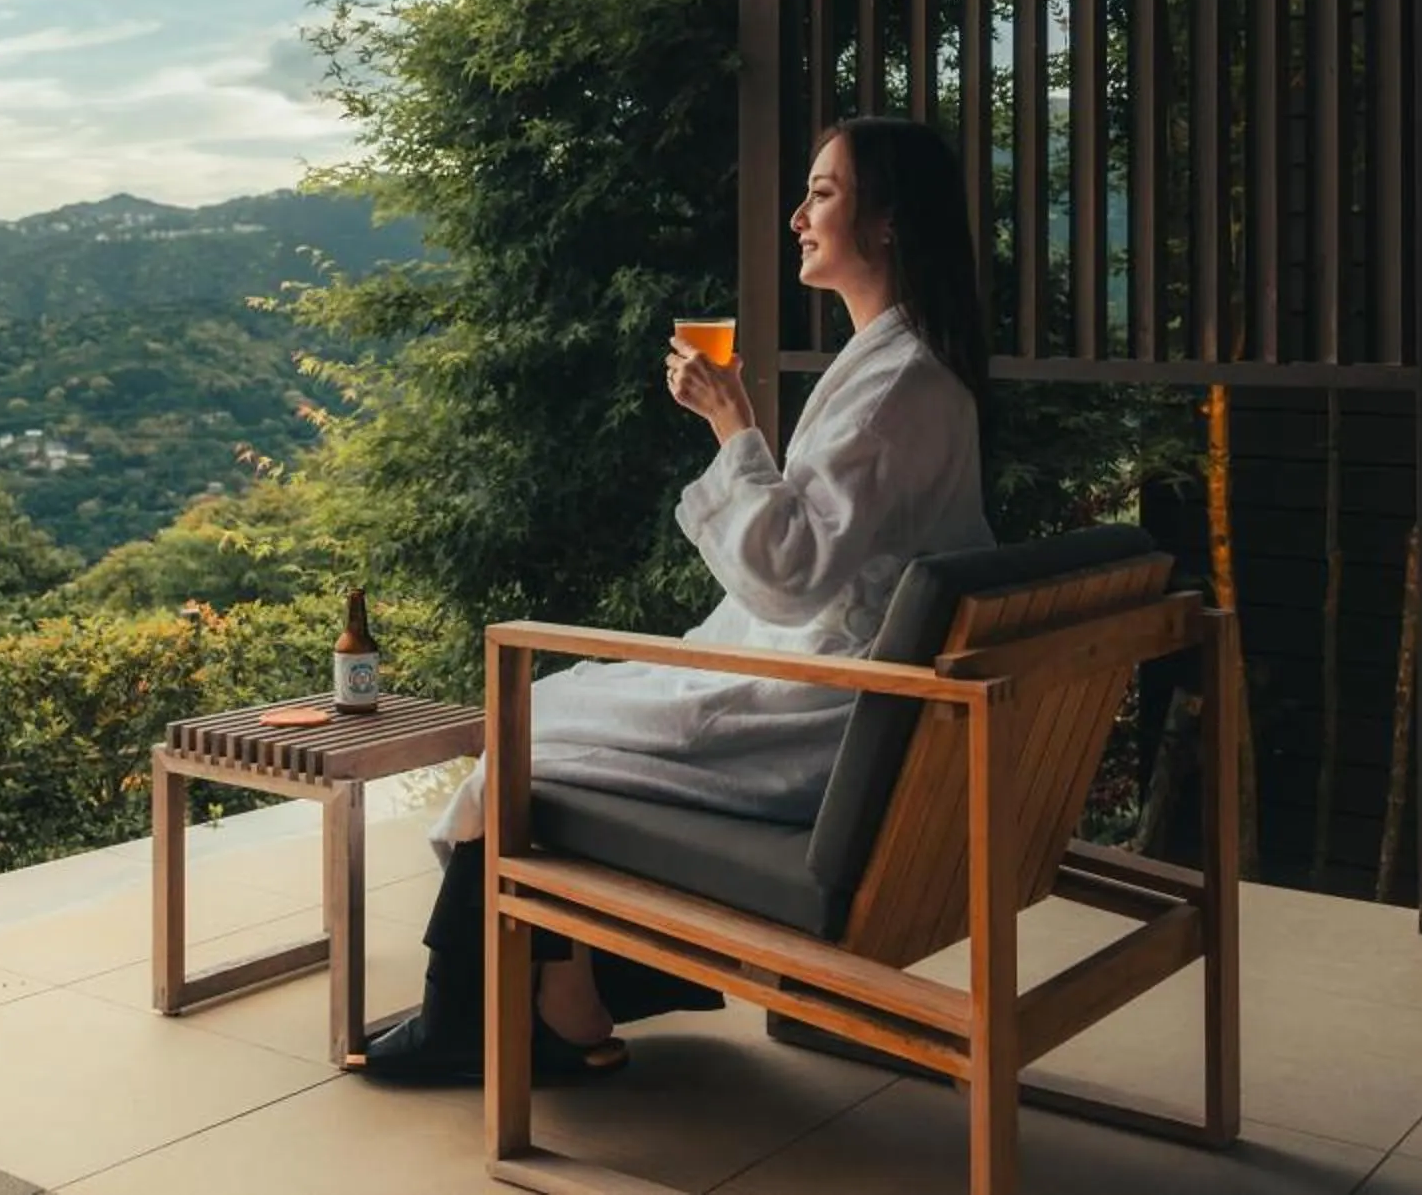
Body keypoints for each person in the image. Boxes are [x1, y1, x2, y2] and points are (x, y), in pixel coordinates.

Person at [357, 116, 994, 1084]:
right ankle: (566, 995)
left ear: (888, 223)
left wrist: (732, 421)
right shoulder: (905, 369)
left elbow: (788, 570)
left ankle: (472, 1010)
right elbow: (823, 551)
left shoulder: (897, 384)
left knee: (529, 727)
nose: (796, 214)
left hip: (819, 712)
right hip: (852, 699)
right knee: (562, 709)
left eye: (822, 191)